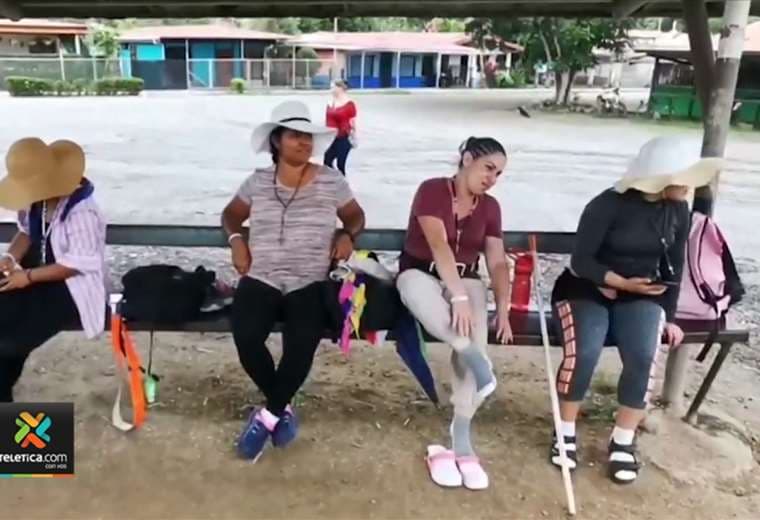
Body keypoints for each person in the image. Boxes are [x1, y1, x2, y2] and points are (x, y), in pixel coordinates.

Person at [549, 135, 723, 484]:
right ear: (659, 177)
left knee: (643, 354)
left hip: (642, 292)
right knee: (585, 351)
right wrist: (619, 282)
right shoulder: (607, 204)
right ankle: (564, 430)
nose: (689, 187)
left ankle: (623, 439)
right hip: (587, 288)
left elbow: (675, 266)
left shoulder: (678, 209)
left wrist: (669, 316)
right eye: (682, 178)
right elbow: (581, 261)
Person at [222, 100, 365, 462]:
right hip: (262, 275)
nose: (304, 142)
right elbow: (231, 214)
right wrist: (236, 240)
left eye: (308, 136)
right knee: (246, 335)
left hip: (310, 279)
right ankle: (282, 407)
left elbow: (355, 215)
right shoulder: (257, 182)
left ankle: (268, 416)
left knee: (302, 342)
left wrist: (348, 234)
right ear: (277, 141)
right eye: (295, 136)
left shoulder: (331, 180)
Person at [396, 137, 512, 490]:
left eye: (499, 173)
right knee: (422, 297)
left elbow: (496, 261)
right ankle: (474, 357)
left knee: (475, 331)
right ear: (467, 159)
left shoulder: (490, 207)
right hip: (420, 271)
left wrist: (503, 309)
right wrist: (456, 296)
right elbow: (438, 243)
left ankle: (461, 432)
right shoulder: (432, 190)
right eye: (488, 168)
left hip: (467, 277)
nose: (492, 178)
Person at [0, 137, 107, 402]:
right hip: (36, 278)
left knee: (9, 338)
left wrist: (27, 277)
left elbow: (78, 263)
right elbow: (26, 232)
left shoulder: (81, 211)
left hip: (69, 289)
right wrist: (10, 258)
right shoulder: (37, 200)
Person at [323, 80, 357, 176]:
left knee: (340, 164)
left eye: (333, 87)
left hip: (343, 137)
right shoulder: (330, 103)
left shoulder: (349, 104)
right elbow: (327, 120)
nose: (331, 90)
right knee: (327, 160)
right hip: (331, 138)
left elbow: (352, 122)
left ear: (340, 88)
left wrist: (354, 137)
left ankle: (342, 182)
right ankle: (334, 180)